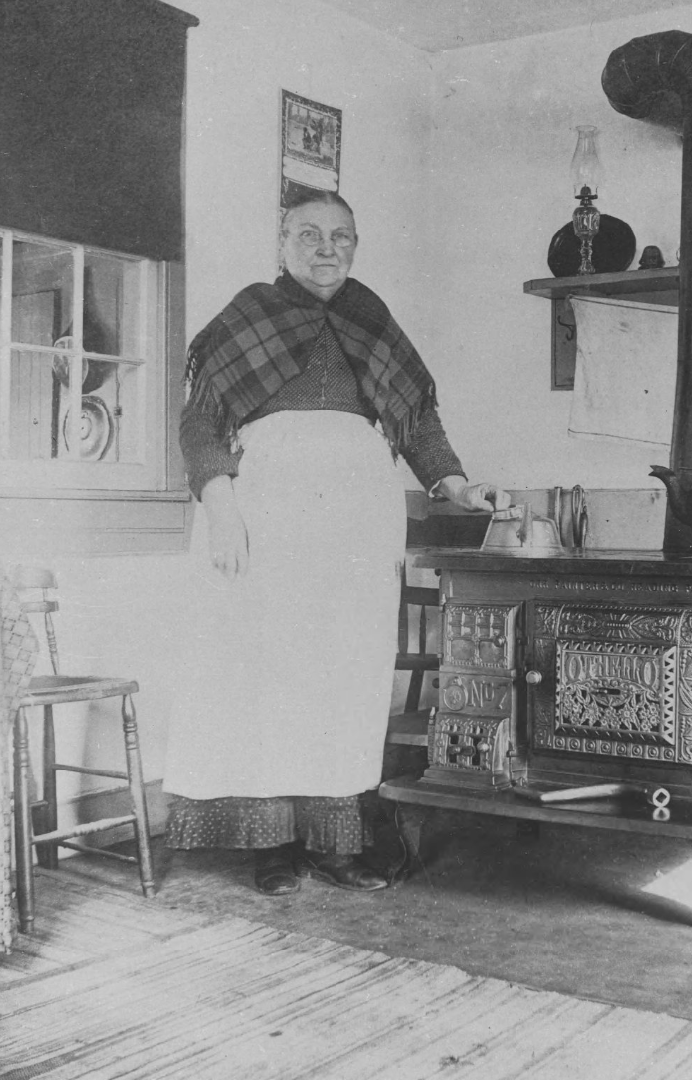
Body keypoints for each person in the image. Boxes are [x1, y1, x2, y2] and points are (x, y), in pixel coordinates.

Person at [163, 190, 510, 895]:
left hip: (353, 519)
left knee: (342, 673)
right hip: (265, 512)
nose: (327, 249)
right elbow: (201, 425)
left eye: (342, 237)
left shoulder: (369, 315)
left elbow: (415, 423)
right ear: (282, 241)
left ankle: (336, 845)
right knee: (271, 672)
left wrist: (458, 486)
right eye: (310, 234)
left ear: (356, 245)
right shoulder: (248, 314)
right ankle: (273, 847)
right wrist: (222, 505)